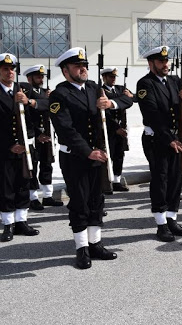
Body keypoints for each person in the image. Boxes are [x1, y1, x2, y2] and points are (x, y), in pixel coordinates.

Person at [49, 47, 129, 268]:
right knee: (80, 202)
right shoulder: (59, 94)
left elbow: (126, 99)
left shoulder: (95, 88)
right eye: (77, 66)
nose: (83, 68)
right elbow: (66, 129)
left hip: (97, 156)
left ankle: (96, 244)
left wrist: (110, 103)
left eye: (84, 65)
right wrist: (87, 151)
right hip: (75, 157)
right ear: (66, 71)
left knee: (96, 201)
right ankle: (82, 248)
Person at [136, 46, 182, 242]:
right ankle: (161, 224)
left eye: (167, 61)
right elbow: (153, 116)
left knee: (176, 179)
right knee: (161, 180)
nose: (166, 65)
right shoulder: (145, 84)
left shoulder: (175, 81)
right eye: (161, 62)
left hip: (176, 139)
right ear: (151, 64)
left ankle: (172, 218)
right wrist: (170, 139)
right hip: (157, 139)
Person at [0, 53, 40, 242]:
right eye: (5, 69)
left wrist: (29, 101)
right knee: (6, 186)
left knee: (24, 183)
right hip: (5, 149)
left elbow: (46, 104)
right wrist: (9, 145)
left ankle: (21, 222)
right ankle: (8, 224)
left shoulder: (25, 89)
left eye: (12, 69)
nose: (10, 72)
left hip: (25, 147)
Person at [21, 64, 62, 209]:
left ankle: (47, 196)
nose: (41, 78)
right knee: (33, 166)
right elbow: (26, 117)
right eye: (38, 76)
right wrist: (38, 134)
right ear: (29, 78)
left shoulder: (47, 93)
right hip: (34, 135)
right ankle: (32, 197)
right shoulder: (26, 92)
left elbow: (52, 107)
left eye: (42, 76)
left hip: (48, 134)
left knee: (47, 164)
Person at [101, 67, 134, 192]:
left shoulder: (121, 89)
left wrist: (130, 96)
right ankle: (107, 181)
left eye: (114, 77)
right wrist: (116, 128)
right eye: (111, 77)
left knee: (120, 155)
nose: (113, 79)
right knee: (108, 155)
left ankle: (116, 180)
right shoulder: (101, 91)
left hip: (122, 128)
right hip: (109, 130)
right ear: (104, 78)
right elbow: (105, 114)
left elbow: (131, 100)